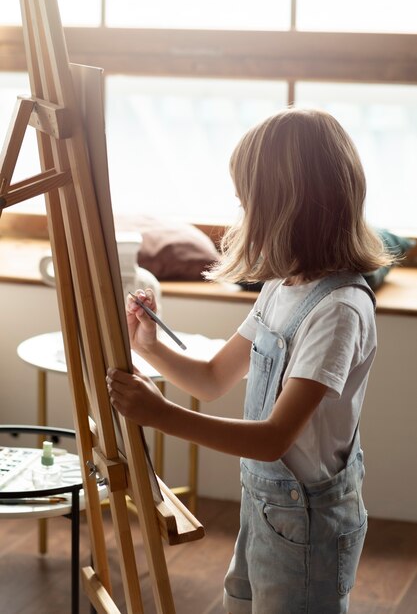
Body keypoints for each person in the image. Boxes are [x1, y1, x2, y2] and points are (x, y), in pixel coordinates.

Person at [106, 108, 392, 614]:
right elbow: (214, 378)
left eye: (246, 202)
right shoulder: (282, 287)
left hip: (306, 525)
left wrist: (160, 416)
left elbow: (273, 438)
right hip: (265, 511)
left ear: (288, 206)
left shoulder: (340, 309)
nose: (241, 216)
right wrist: (150, 346)